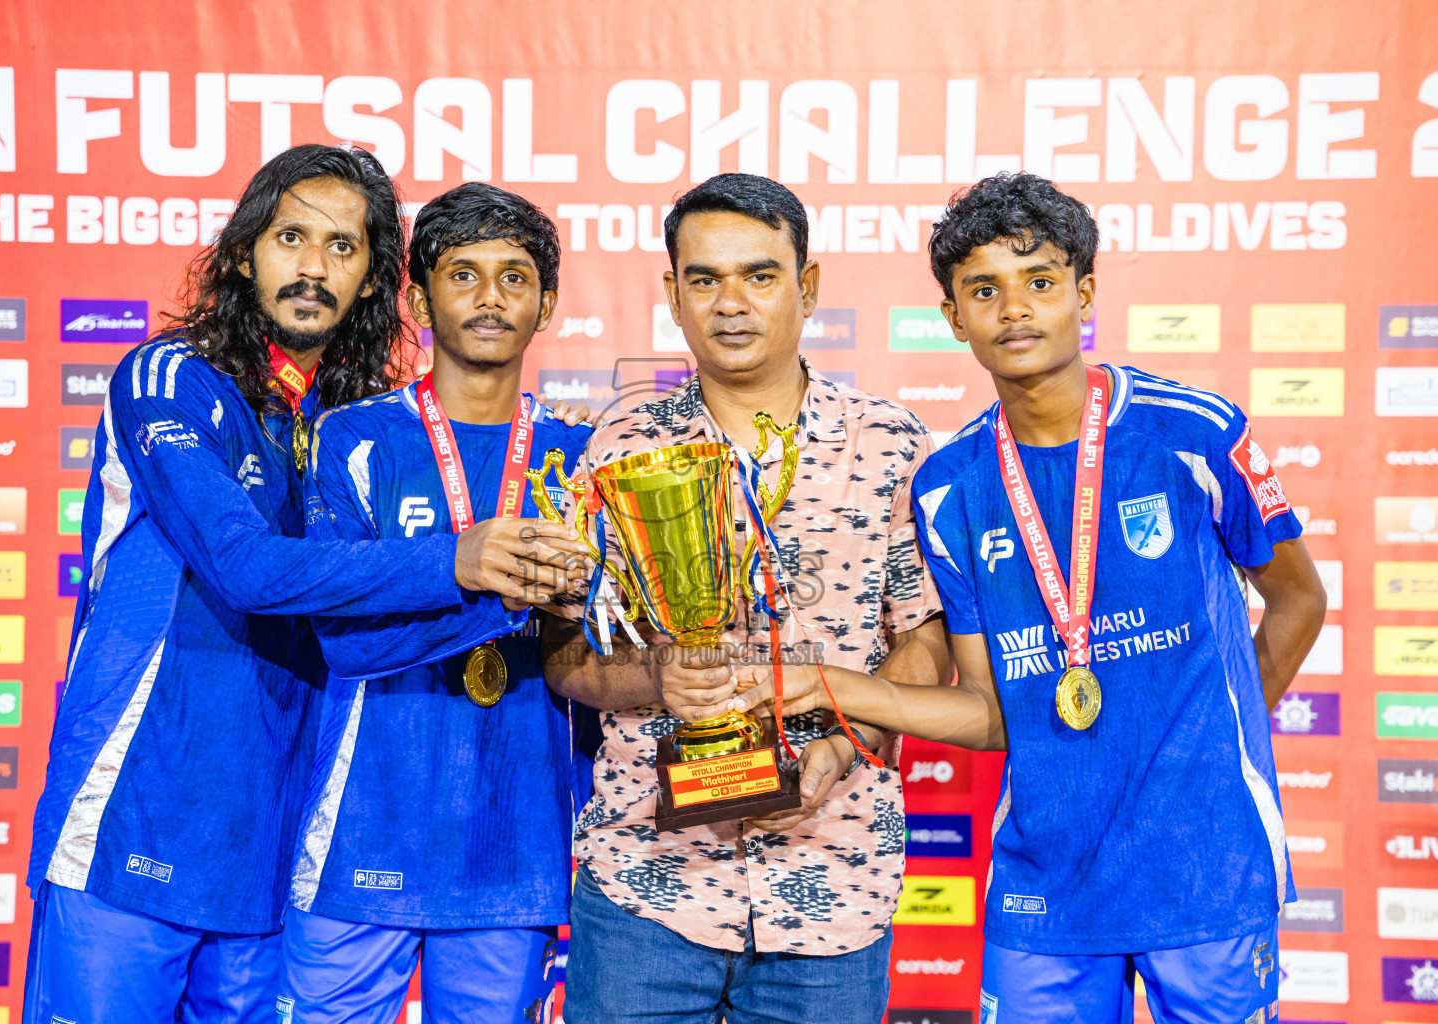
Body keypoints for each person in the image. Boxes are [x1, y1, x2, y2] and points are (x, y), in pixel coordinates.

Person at [731, 172, 1328, 1024]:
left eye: (1039, 282)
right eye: (984, 290)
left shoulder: (1190, 433)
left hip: (1201, 854)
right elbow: (988, 714)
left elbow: (1299, 600)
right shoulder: (949, 487)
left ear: (1082, 295)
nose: (1014, 310)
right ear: (952, 317)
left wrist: (1210, 742)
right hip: (1044, 868)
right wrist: (824, 685)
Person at [25, 147, 584, 1024]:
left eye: (343, 248)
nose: (313, 267)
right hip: (137, 801)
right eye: (291, 237)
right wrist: (459, 563)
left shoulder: (349, 425)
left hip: (275, 832)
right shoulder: (170, 378)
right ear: (245, 251)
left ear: (373, 282)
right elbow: (242, 567)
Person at [542, 173, 952, 1024]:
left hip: (834, 882)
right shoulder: (618, 448)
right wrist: (657, 676)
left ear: (806, 286)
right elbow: (567, 660)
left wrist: (846, 740)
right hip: (646, 885)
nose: (731, 303)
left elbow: (923, 641)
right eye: (704, 279)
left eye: (760, 275)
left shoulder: (890, 444)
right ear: (672, 295)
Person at [277, 183, 593, 1024]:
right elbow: (339, 642)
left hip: (515, 839)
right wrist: (497, 590)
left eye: (514, 278)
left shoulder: (581, 457)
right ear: (417, 298)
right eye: (463, 276)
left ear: (546, 304)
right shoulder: (351, 438)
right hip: (359, 830)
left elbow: (602, 649)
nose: (490, 298)